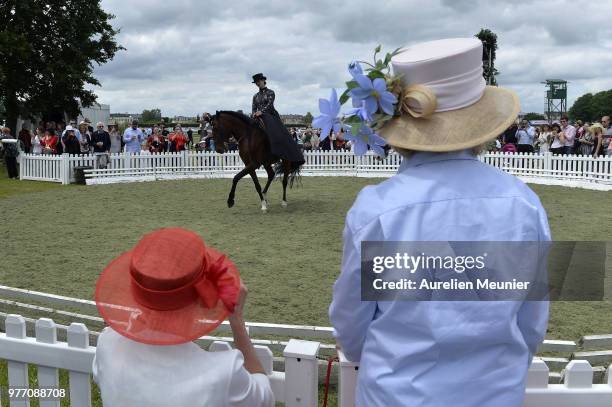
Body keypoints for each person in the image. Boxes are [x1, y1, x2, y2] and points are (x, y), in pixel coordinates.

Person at [329, 38, 550, 407]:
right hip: (494, 394)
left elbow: (351, 323)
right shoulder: (522, 203)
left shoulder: (376, 209)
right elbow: (531, 321)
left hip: (397, 394)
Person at [92, 228, 275, 407]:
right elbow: (265, 398)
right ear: (201, 295)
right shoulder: (223, 373)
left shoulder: (108, 343)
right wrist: (237, 320)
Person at [251, 73, 305, 168]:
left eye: (259, 81)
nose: (257, 83)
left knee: (277, 131)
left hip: (269, 115)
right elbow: (253, 108)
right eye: (256, 82)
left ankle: (281, 149)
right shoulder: (255, 96)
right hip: (258, 116)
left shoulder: (270, 92)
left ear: (263, 81)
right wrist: (254, 114)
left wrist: (261, 112)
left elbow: (269, 105)